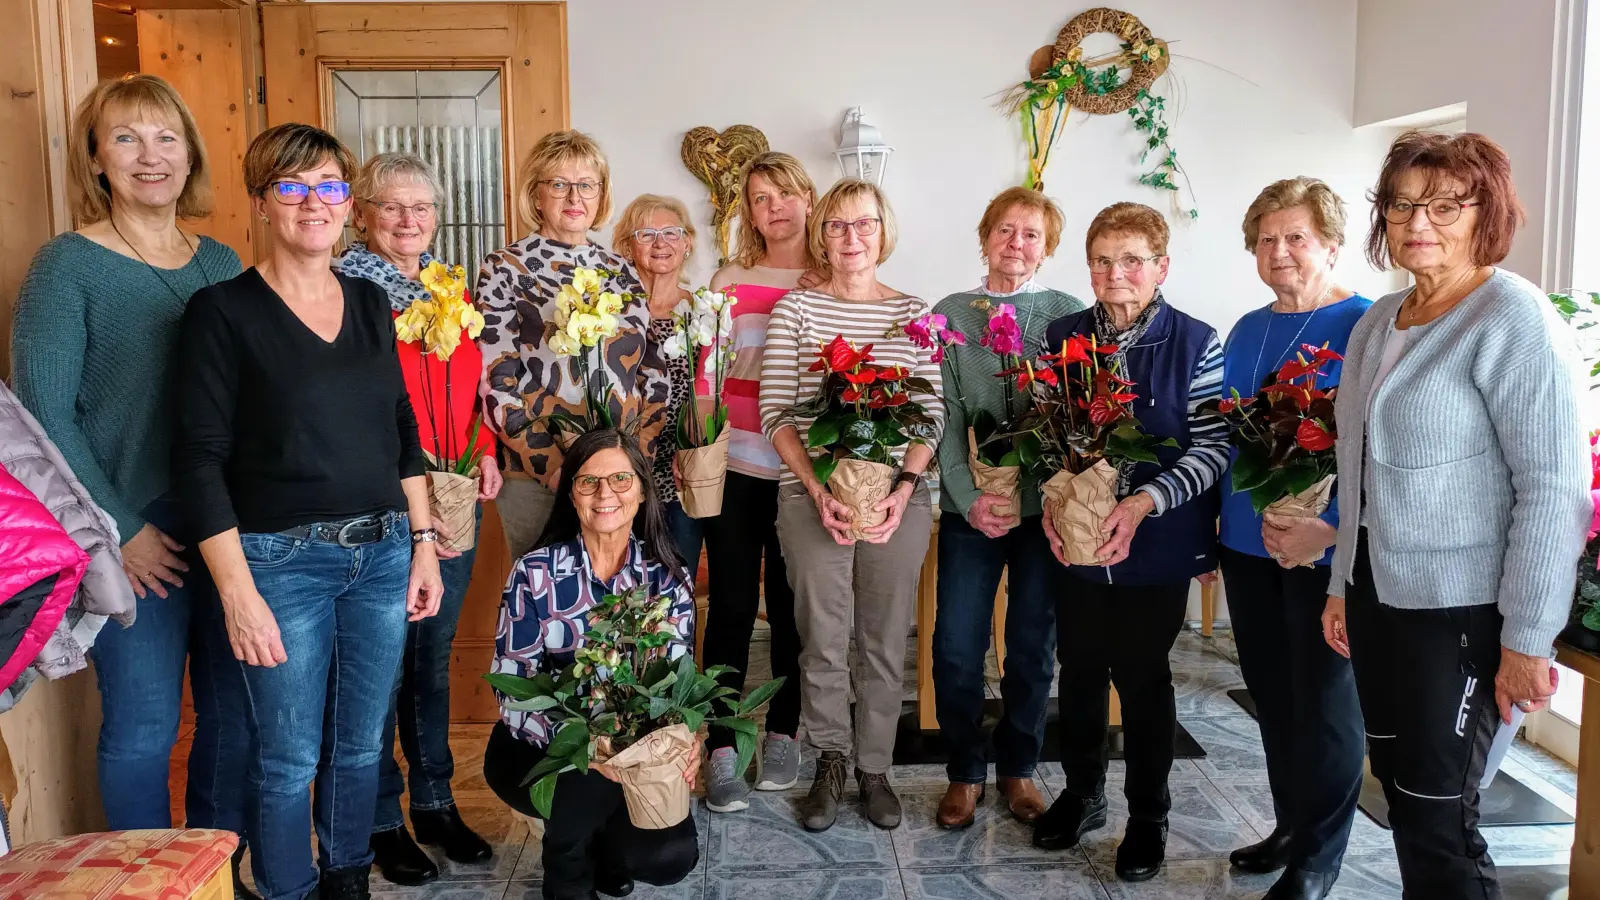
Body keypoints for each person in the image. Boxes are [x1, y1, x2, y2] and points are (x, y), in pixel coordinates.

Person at [174, 123, 445, 900]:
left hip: (384, 551)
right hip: (277, 564)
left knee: (361, 745)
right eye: (292, 187)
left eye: (328, 186)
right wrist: (236, 593)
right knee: (288, 756)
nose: (313, 203)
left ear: (345, 203)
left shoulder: (366, 301)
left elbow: (401, 429)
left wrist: (423, 543)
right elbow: (197, 460)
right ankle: (288, 888)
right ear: (262, 202)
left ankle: (349, 879)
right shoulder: (221, 312)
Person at [1320, 131, 1589, 900]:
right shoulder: (1379, 320)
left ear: (1486, 213)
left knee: (1439, 814)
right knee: (1404, 794)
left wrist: (1528, 640)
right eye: (1403, 203)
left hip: (1463, 614)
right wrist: (1343, 583)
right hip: (1379, 599)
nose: (1419, 222)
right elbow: (1356, 467)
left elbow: (1552, 488)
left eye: (1445, 205)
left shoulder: (1515, 319)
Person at [10, 73, 253, 887]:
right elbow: (44, 420)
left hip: (227, 522)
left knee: (231, 721)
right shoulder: (66, 266)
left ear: (188, 154)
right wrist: (120, 529)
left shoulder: (219, 260)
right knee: (145, 728)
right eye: (126, 138)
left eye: (166, 137)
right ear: (96, 156)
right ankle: (146, 885)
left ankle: (216, 876)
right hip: (128, 531)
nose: (150, 156)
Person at [1031, 202, 1226, 883]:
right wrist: (1053, 510)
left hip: (1156, 543)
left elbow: (1213, 447)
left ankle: (1149, 817)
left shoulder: (1198, 341)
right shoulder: (1061, 336)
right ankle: (1083, 795)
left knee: (1142, 678)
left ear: (1161, 266)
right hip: (1076, 543)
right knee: (1078, 668)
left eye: (1132, 260)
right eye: (1103, 260)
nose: (1117, 273)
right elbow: (1040, 434)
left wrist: (1145, 501)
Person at [333, 151, 503, 886]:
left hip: (452, 496)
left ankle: (435, 801)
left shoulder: (446, 287)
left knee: (430, 661)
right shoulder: (342, 292)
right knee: (376, 668)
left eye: (422, 208)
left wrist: (486, 449)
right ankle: (377, 820)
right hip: (376, 501)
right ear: (363, 214)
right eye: (393, 207)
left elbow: (472, 387)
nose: (409, 221)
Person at [760, 178, 945, 832]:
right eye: (837, 227)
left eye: (863, 224)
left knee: (884, 637)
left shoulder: (915, 311)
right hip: (811, 498)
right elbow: (776, 412)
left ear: (882, 230)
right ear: (822, 236)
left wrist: (901, 490)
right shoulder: (797, 311)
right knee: (824, 637)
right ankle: (831, 761)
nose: (851, 238)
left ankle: (875, 767)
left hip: (898, 500)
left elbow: (930, 415)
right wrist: (816, 488)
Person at [1217, 177, 1372, 900]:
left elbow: (1382, 451)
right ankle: (1289, 827)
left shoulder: (1366, 325)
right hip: (1249, 546)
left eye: (1296, 237)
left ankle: (1320, 856)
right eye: (1266, 239)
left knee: (1327, 705)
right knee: (1275, 698)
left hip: (1323, 552)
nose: (1279, 251)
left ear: (1331, 244)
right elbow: (1236, 440)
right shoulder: (1247, 330)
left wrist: (1330, 528)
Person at [484, 428, 699, 900]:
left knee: (669, 858)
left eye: (621, 479)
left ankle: (607, 852)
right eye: (589, 482)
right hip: (542, 746)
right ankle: (567, 874)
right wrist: (587, 747)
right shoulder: (536, 573)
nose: (606, 494)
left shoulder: (668, 579)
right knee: (581, 784)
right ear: (571, 493)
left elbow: (679, 688)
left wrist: (686, 741)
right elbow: (512, 689)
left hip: (631, 752)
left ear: (642, 491)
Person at [931, 186, 1085, 830]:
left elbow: (1075, 413)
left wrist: (1050, 496)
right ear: (984, 236)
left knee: (1030, 644)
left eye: (1031, 234)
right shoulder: (951, 313)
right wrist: (969, 500)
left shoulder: (1065, 312)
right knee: (957, 645)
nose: (1015, 243)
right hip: (975, 513)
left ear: (1046, 249)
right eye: (1005, 230)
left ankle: (1019, 766)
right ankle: (964, 771)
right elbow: (944, 417)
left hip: (1044, 512)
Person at [476, 129, 670, 558]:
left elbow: (651, 371)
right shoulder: (506, 267)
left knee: (614, 605)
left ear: (601, 194)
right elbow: (497, 379)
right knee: (545, 604)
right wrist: (554, 469)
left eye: (587, 184)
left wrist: (633, 462)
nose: (573, 197)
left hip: (618, 475)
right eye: (559, 185)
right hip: (539, 472)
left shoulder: (620, 269)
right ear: (536, 195)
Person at [699, 152, 815, 811]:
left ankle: (783, 730)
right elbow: (710, 375)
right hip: (739, 466)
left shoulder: (831, 278)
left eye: (785, 193)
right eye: (760, 197)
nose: (774, 206)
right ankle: (720, 745)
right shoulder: (729, 279)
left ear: (807, 198)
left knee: (796, 612)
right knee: (735, 609)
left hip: (805, 474)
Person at [611, 193, 703, 564]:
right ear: (626, 246)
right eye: (646, 234)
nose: (660, 243)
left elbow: (714, 390)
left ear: (687, 243)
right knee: (616, 579)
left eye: (671, 233)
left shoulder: (704, 311)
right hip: (619, 471)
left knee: (675, 580)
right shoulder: (607, 310)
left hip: (679, 474)